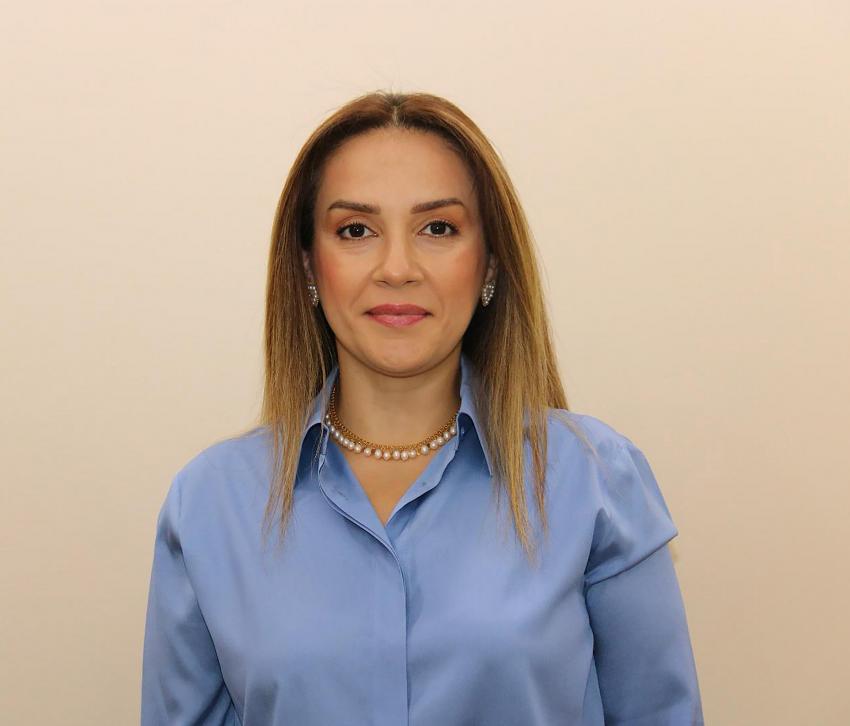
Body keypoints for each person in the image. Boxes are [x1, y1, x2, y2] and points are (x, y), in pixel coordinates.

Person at [141, 90, 704, 725]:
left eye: (438, 228)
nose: (397, 268)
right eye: (356, 231)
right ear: (308, 265)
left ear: (489, 263)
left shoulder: (596, 480)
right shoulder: (210, 503)